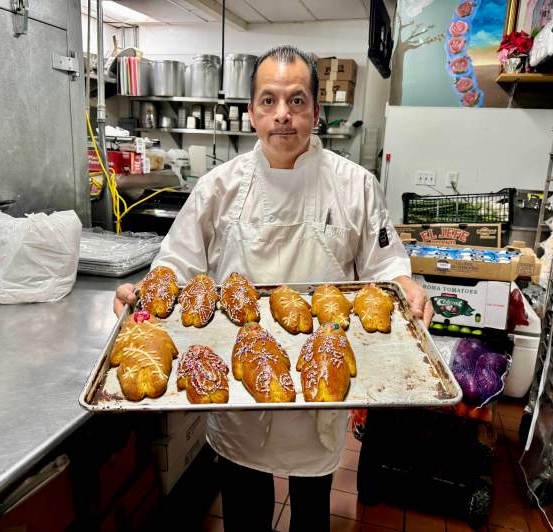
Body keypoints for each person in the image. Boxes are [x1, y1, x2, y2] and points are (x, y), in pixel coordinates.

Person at [114, 45, 433, 532]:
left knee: (311, 513)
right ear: (251, 112)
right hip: (239, 392)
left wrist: (406, 284)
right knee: (245, 514)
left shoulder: (354, 186)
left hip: (320, 387)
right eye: (269, 100)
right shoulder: (219, 188)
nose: (283, 114)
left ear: (316, 111)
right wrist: (145, 297)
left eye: (297, 100)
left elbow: (385, 268)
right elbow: (176, 265)